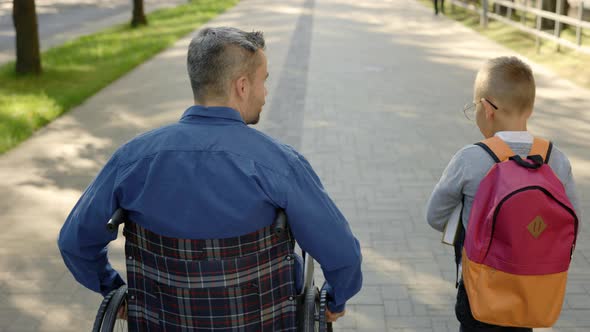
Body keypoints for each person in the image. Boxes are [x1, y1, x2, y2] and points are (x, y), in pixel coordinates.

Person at [58, 27, 362, 325]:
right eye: (263, 82)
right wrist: (334, 300)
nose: (265, 92)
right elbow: (343, 255)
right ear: (242, 87)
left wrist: (111, 287)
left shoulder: (133, 159)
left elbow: (74, 243)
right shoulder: (280, 164)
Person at [426, 56, 580, 331]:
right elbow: (572, 221)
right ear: (529, 108)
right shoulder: (555, 159)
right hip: (533, 289)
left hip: (481, 291)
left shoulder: (470, 159)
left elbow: (434, 216)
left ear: (487, 108)